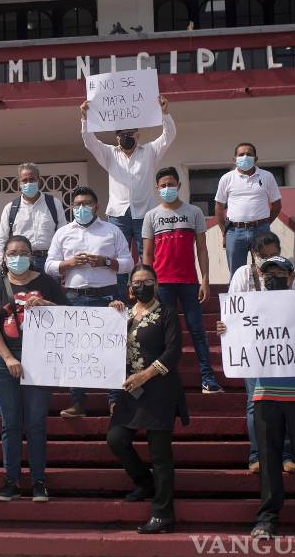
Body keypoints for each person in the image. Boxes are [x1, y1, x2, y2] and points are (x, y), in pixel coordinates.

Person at [217, 256, 295, 543]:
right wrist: (227, 331)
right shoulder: (249, 308)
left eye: (279, 272)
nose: (273, 276)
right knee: (269, 459)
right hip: (265, 393)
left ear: (290, 275)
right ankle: (267, 517)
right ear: (260, 275)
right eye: (268, 272)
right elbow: (240, 342)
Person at [0, 235, 68, 502]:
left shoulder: (46, 283)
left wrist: (47, 305)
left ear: (31, 255)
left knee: (36, 421)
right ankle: (11, 480)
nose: (17, 257)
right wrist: (7, 358)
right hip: (4, 359)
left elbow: (71, 317)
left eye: (22, 252)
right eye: (12, 253)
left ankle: (39, 481)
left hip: (40, 358)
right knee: (10, 422)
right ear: (4, 257)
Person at [106, 264, 187, 534]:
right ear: (129, 287)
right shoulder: (123, 315)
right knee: (116, 439)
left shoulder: (167, 314)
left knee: (160, 454)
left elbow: (173, 353)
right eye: (137, 282)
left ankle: (163, 514)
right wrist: (111, 317)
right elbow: (111, 354)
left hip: (160, 390)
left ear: (156, 284)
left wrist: (147, 375)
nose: (142, 286)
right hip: (129, 391)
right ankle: (146, 483)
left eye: (147, 281)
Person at [45, 186, 132, 418]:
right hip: (73, 298)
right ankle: (78, 402)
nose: (81, 208)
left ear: (96, 207)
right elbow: (49, 266)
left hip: (107, 297)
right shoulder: (63, 232)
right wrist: (69, 263)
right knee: (76, 351)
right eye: (77, 204)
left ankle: (115, 401)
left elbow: (128, 263)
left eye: (86, 204)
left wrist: (105, 261)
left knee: (111, 350)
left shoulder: (112, 231)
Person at [79, 96, 174, 296]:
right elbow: (89, 141)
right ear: (116, 137)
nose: (126, 137)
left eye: (130, 133)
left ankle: (149, 297)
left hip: (145, 214)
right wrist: (85, 118)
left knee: (148, 258)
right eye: (121, 134)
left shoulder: (149, 151)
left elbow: (169, 136)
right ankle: (122, 297)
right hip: (118, 215)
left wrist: (165, 113)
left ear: (138, 135)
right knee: (119, 259)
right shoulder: (109, 154)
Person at [141, 166, 221, 394]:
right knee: (163, 333)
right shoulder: (151, 216)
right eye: (163, 185)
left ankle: (208, 378)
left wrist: (205, 279)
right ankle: (161, 380)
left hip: (189, 282)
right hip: (162, 284)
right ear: (157, 189)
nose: (167, 188)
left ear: (179, 185)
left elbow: (202, 250)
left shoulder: (194, 212)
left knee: (196, 329)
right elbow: (147, 254)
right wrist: (150, 283)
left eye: (171, 184)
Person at [227, 231, 295, 472]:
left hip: (282, 347)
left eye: (274, 254)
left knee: (284, 400)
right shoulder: (243, 275)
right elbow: (233, 310)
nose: (268, 259)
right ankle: (257, 455)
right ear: (254, 256)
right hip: (253, 349)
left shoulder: (288, 273)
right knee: (254, 402)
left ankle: (286, 454)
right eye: (263, 255)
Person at [213, 142, 282, 278]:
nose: (245, 157)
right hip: (234, 232)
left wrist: (265, 223)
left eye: (249, 154)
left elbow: (277, 205)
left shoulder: (267, 176)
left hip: (261, 230)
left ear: (256, 158)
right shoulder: (227, 178)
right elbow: (219, 207)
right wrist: (224, 233)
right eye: (241, 154)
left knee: (266, 270)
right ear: (235, 159)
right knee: (236, 274)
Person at [0, 163, 66, 272]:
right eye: (24, 180)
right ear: (19, 183)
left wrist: (64, 262)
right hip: (20, 261)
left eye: (32, 179)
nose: (28, 183)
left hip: (49, 261)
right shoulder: (10, 208)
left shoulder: (54, 204)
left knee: (48, 289)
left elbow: (63, 234)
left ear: (39, 181)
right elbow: (3, 238)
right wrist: (2, 262)